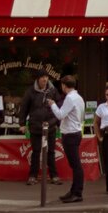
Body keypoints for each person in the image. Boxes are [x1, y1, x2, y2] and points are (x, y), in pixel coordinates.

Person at [19, 68, 62, 186]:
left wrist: (59, 123)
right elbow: (24, 108)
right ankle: (32, 176)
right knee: (36, 151)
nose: (45, 79)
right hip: (36, 126)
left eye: (46, 77)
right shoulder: (30, 91)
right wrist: (22, 124)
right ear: (38, 79)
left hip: (51, 124)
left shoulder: (53, 90)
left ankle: (54, 176)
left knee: (51, 152)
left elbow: (59, 106)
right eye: (42, 77)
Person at [47, 75, 86, 203]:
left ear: (64, 85)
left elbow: (60, 115)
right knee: (75, 165)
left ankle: (77, 193)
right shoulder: (79, 97)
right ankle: (74, 190)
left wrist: (52, 104)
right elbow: (81, 116)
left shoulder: (70, 98)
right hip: (75, 132)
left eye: (62, 85)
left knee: (76, 165)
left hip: (70, 134)